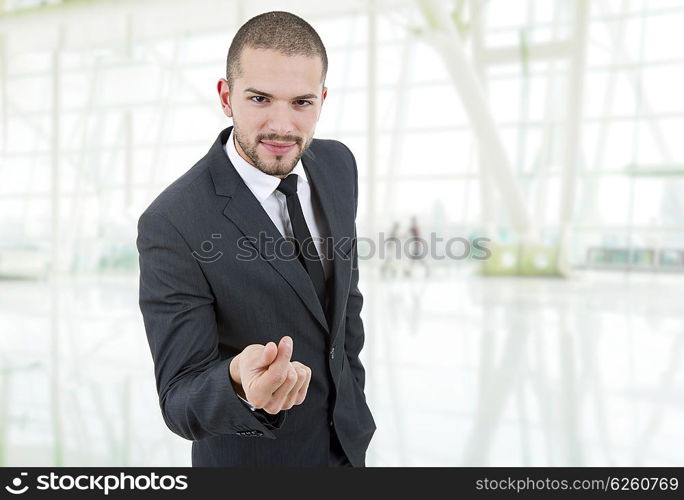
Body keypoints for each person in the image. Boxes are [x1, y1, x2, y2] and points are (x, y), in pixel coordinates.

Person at [136, 11, 376, 467]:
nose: (282, 126)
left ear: (322, 100)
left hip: (346, 451)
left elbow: (346, 307)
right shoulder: (172, 221)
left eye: (302, 102)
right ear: (226, 97)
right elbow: (178, 397)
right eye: (260, 99)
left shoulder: (337, 165)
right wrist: (237, 382)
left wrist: (355, 407)